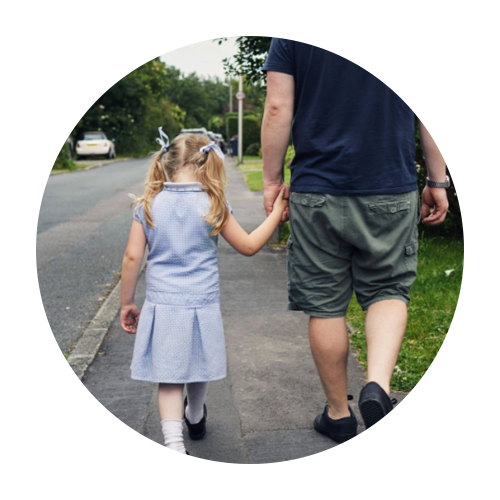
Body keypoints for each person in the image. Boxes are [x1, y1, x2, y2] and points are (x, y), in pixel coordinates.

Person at [261, 37, 449, 464]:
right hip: (389, 186)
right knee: (387, 289)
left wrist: (272, 180)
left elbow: (277, 108)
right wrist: (437, 180)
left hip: (317, 191)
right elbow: (431, 102)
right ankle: (377, 387)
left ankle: (340, 415)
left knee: (325, 304)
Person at [120, 129, 288, 464]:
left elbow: (132, 258)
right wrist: (276, 214)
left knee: (169, 377)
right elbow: (250, 246)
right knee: (199, 363)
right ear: (207, 164)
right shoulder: (214, 204)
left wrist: (127, 302)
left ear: (167, 163)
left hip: (163, 303)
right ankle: (195, 416)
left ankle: (174, 448)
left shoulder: (148, 204)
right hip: (202, 302)